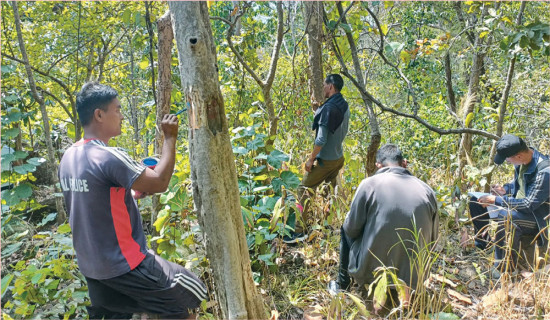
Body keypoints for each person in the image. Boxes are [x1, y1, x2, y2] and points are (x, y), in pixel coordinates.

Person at [58, 82, 207, 319]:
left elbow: (93, 198)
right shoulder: (108, 156)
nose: (122, 116)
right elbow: (159, 182)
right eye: (117, 110)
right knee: (192, 291)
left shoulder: (69, 156)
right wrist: (170, 138)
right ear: (99, 115)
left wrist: (132, 194)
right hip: (125, 264)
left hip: (92, 267)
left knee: (116, 313)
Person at [328, 144, 439, 305]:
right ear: (404, 163)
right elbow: (433, 241)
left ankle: (342, 286)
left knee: (345, 228)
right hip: (414, 278)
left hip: (372, 274)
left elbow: (351, 228)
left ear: (378, 165)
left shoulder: (369, 184)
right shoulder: (427, 191)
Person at [469, 134, 549, 275]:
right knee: (476, 202)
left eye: (508, 160)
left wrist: (496, 200)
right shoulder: (523, 162)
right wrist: (505, 189)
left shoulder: (544, 171)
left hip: (537, 218)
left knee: (506, 216)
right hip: (519, 208)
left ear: (518, 156)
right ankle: (484, 245)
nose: (507, 162)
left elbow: (528, 204)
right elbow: (520, 185)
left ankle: (503, 269)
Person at [286, 74, 350, 243]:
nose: (322, 87)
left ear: (331, 87)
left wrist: (310, 159)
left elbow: (321, 139)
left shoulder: (328, 110)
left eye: (324, 84)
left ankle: (300, 231)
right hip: (338, 157)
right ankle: (327, 225)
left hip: (325, 160)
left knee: (303, 189)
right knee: (330, 191)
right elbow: (337, 127)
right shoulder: (343, 105)